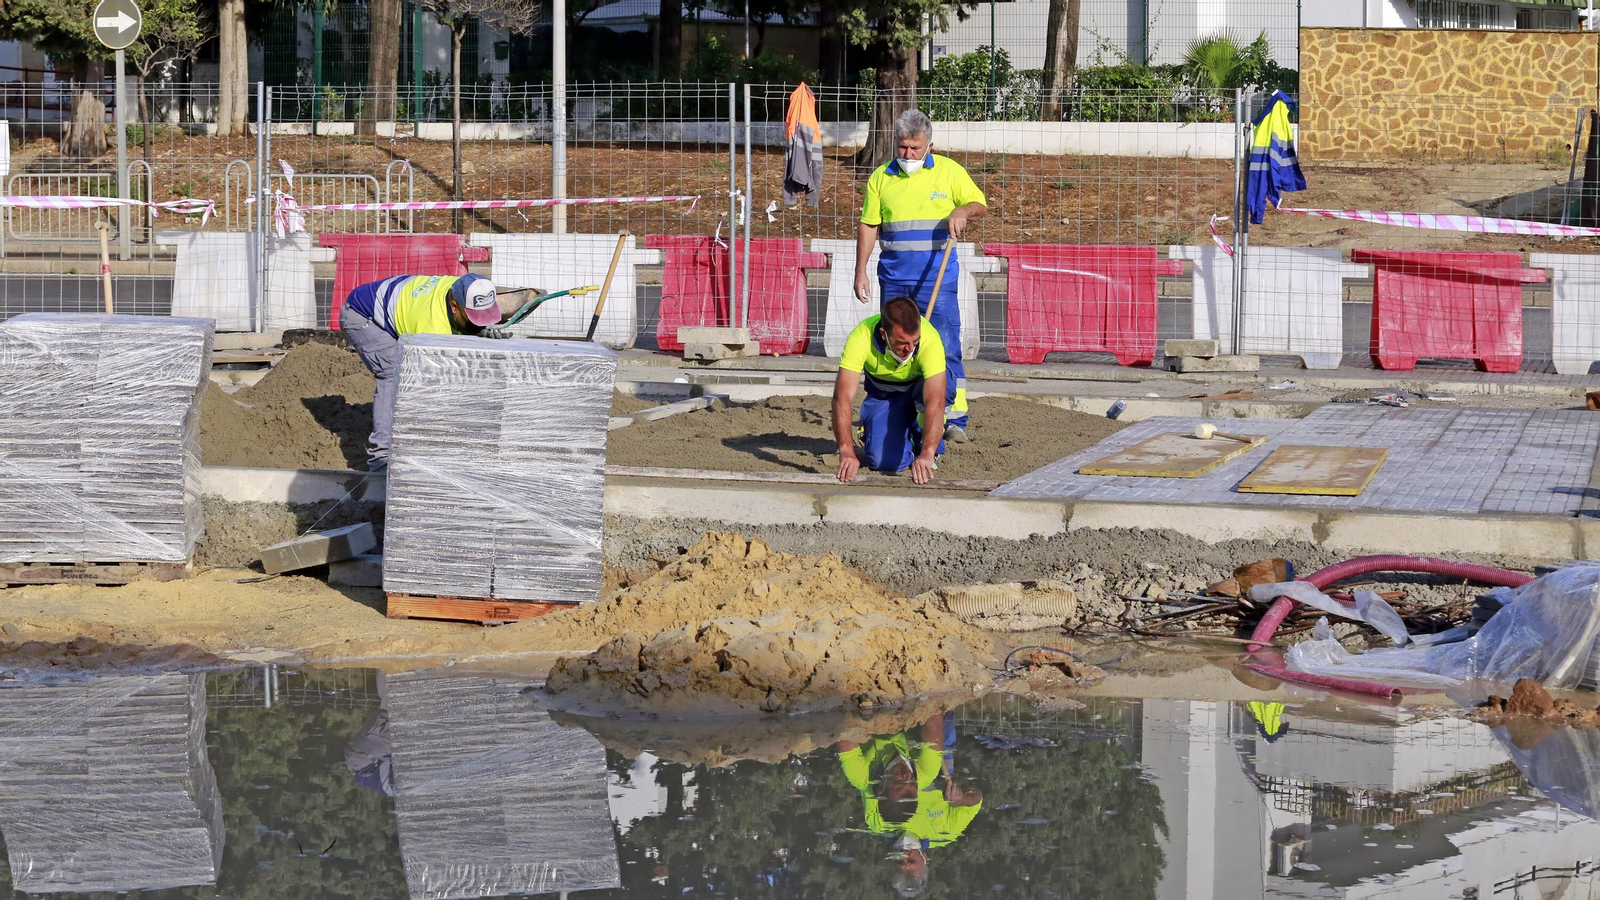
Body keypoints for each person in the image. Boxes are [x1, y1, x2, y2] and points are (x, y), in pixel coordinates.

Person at [854, 108, 988, 445]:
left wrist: (962, 210)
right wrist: (861, 270)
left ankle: (953, 417)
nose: (908, 155)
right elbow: (870, 224)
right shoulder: (881, 178)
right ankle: (897, 413)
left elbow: (979, 203)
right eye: (902, 147)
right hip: (895, 279)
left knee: (944, 346)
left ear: (930, 144)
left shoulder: (948, 172)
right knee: (894, 347)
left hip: (936, 279)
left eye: (915, 148)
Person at [339, 273, 504, 471]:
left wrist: (478, 330)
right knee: (393, 375)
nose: (481, 323)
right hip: (362, 316)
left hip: (396, 305)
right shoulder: (432, 328)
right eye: (474, 319)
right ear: (454, 307)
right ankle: (381, 457)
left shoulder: (461, 286)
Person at [836, 715, 984, 898]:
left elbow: (869, 783)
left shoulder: (877, 824)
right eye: (911, 860)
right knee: (941, 727)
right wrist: (961, 800)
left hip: (889, 749)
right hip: (935, 761)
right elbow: (977, 797)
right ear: (925, 860)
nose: (904, 853)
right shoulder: (946, 832)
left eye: (900, 861)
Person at [833, 296, 947, 485]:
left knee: (944, 387)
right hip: (885, 396)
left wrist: (927, 454)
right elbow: (842, 398)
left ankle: (922, 438)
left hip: (919, 394)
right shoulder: (861, 337)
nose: (910, 349)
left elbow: (936, 400)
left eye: (915, 341)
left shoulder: (929, 338)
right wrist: (846, 450)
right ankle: (889, 431)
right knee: (883, 462)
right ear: (884, 334)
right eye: (902, 342)